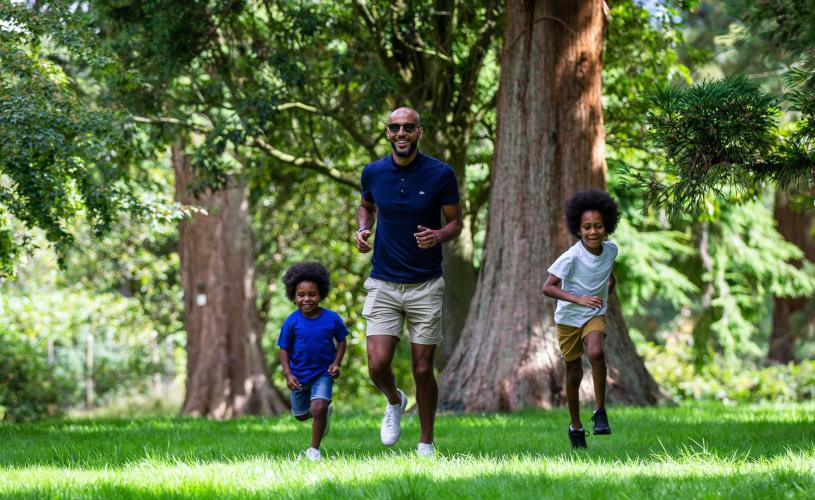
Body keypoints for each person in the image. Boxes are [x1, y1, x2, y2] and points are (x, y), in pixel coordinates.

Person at [355, 107, 462, 457]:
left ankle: (426, 443)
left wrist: (438, 235)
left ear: (419, 132)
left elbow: (455, 222)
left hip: (425, 285)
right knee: (377, 365)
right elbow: (366, 206)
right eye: (395, 127)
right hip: (383, 283)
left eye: (408, 127)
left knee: (422, 368)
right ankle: (394, 400)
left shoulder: (440, 174)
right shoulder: (373, 172)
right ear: (388, 133)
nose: (401, 133)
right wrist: (363, 229)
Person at [542, 189, 620, 449]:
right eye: (587, 227)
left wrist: (603, 297)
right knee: (573, 372)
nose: (593, 231)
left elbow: (608, 276)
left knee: (596, 352)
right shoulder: (571, 256)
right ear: (578, 229)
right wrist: (580, 299)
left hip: (593, 315)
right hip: (568, 319)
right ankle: (575, 425)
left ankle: (600, 411)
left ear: (607, 227)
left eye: (598, 226)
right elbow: (548, 287)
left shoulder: (611, 250)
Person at [277, 262, 348, 461]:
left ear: (320, 294)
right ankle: (322, 414)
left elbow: (342, 340)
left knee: (318, 407)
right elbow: (283, 348)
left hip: (323, 372)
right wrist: (288, 374)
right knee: (300, 415)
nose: (306, 299)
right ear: (293, 296)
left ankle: (314, 451)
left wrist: (336, 363)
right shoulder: (291, 321)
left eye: (312, 294)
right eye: (301, 295)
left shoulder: (332, 318)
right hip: (299, 375)